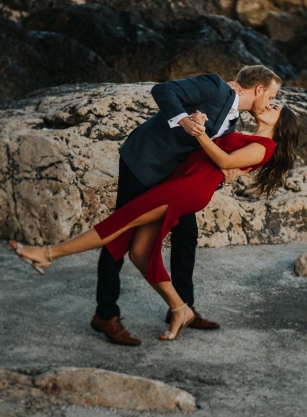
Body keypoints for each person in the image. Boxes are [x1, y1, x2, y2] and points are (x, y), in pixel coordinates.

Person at [10, 102, 299, 342]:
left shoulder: (265, 146)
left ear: (281, 124)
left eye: (275, 107)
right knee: (139, 252)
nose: (269, 105)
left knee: (119, 223)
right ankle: (180, 308)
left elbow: (224, 162)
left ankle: (47, 254)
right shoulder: (249, 136)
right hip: (183, 184)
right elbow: (221, 162)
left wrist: (199, 134)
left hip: (187, 190)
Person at [93, 65, 282, 345]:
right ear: (258, 89)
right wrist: (183, 120)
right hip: (144, 162)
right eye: (270, 96)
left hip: (170, 177)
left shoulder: (232, 120)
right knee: (120, 235)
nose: (270, 103)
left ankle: (182, 309)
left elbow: (207, 157)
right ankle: (105, 315)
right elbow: (163, 90)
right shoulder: (214, 86)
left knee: (187, 234)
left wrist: (225, 178)